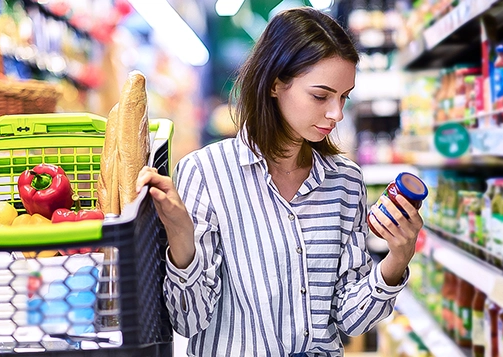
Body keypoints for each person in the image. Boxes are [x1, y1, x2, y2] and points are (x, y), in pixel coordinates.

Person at [136, 6, 423, 356]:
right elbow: (188, 320)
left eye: (344, 96)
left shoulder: (345, 181)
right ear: (275, 84)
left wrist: (398, 257)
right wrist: (182, 240)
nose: (336, 113)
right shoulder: (206, 172)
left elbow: (350, 320)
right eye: (320, 96)